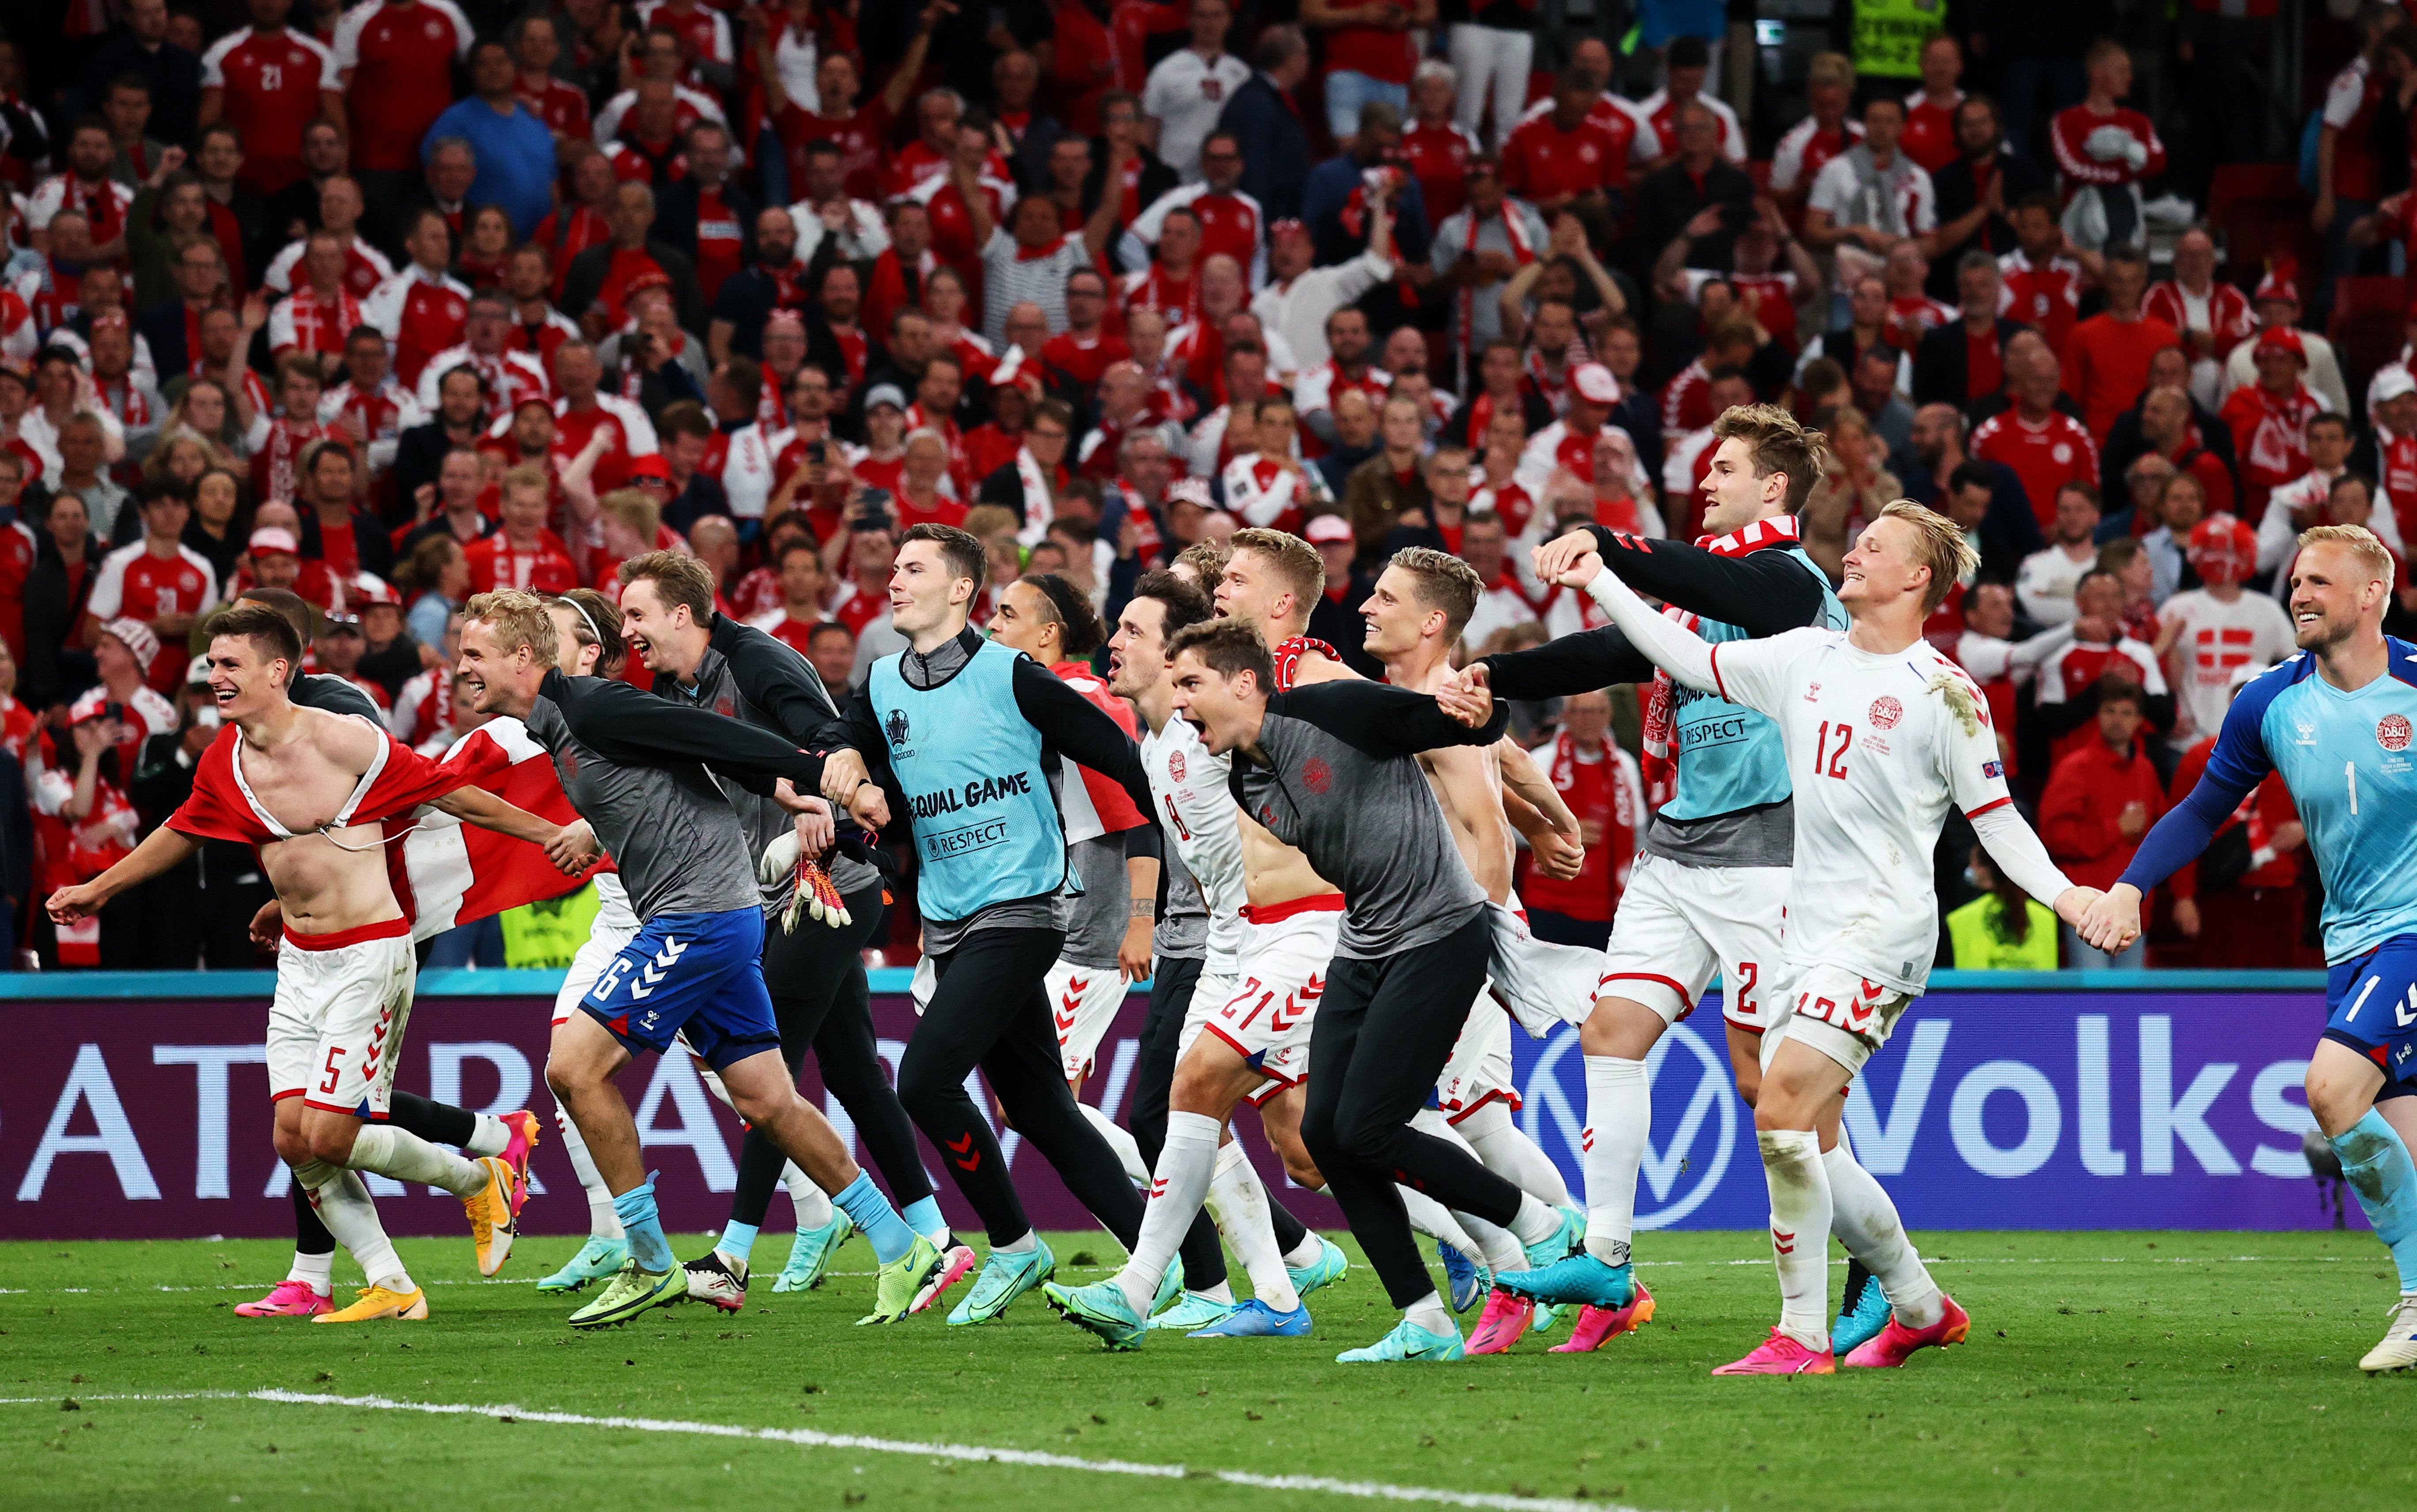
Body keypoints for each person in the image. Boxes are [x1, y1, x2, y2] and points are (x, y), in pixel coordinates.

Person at [1543, 498, 2095, 1372]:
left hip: (1883, 938)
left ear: (1917, 577)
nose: (1857, 552)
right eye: (1860, 538)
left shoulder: (1945, 692)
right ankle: (1917, 1302)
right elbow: (1685, 653)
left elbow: (1998, 820)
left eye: (1878, 546)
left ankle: (1801, 1332)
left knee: (1781, 1106)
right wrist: (1602, 578)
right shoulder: (1804, 657)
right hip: (1807, 930)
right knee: (1810, 1133)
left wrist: (2070, 897)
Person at [1470, 406, 1900, 1355]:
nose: (1707, 480)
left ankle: (1881, 1265)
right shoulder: (1706, 587)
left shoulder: (1792, 584)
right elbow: (1614, 654)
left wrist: (1614, 546)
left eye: (1727, 467)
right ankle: (1609, 1259)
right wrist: (1491, 674)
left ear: (1775, 489)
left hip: (1772, 848)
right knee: (1611, 1030)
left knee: (1772, 1087)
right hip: (1680, 845)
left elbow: (1712, 580)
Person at [46, 603, 565, 1320]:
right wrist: (98, 889)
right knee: (294, 1138)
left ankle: (475, 1179)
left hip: (367, 953)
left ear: (277, 670)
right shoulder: (224, 761)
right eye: (213, 663)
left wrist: (551, 832)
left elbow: (449, 792)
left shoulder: (344, 739)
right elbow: (181, 832)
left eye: (231, 663)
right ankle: (392, 1284)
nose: (215, 675)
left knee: (330, 1132)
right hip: (300, 960)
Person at [455, 588, 942, 1330]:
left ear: (523, 659)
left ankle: (649, 1261)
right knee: (767, 1102)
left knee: (572, 1068)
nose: (461, 668)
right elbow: (695, 755)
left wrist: (816, 774)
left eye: (474, 655)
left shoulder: (590, 707)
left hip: (699, 917)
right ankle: (900, 1245)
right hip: (720, 915)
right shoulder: (560, 724)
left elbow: (715, 736)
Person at [1144, 611, 1564, 1364]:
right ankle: (1425, 1321)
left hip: (1438, 932)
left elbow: (1457, 724)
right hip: (1364, 942)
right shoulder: (1248, 776)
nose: (1178, 702)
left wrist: (1485, 709)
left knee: (1367, 1129)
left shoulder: (1334, 708)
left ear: (1245, 682)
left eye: (1190, 683)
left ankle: (1540, 1225)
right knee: (1327, 1138)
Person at [2078, 524, 2417, 1372]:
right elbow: (2200, 809)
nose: (2298, 593)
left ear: (2372, 594)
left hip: (2412, 932)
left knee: (2330, 1088)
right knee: (2404, 1147)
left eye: (2320, 582)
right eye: (2295, 579)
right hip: (2350, 942)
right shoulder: (2268, 701)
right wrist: (2129, 885)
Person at [815, 523, 1156, 1324]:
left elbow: (1123, 760)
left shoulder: (1015, 675)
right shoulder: (884, 682)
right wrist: (845, 765)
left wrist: (1191, 837)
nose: (893, 580)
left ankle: (1012, 1242)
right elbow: (843, 737)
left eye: (914, 569)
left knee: (924, 1079)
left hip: (1028, 909)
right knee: (1041, 1108)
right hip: (950, 918)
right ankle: (1168, 1263)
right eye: (893, 567)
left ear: (961, 588)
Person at [612, 554, 960, 1307]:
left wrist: (824, 806)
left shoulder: (757, 658)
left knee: (766, 1076)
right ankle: (938, 1239)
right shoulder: (673, 690)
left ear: (683, 613)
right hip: (773, 898)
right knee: (854, 1076)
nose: (626, 628)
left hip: (832, 888)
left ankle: (734, 1254)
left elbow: (827, 736)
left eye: (637, 614)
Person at [1945, 845, 2057, 969]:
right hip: (2035, 988)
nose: (1970, 870)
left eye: (1973, 864)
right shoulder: (2047, 917)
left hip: (1975, 988)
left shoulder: (1959, 919)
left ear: (1984, 870)